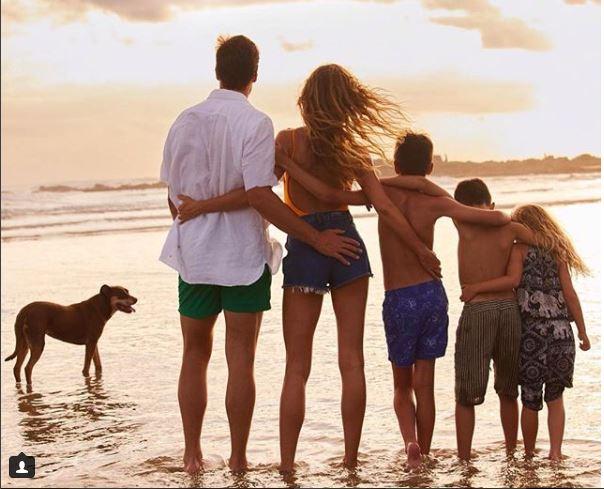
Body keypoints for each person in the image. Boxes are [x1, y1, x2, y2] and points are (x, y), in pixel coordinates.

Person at [180, 64, 441, 472]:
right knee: (351, 362)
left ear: (306, 101)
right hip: (348, 246)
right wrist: (420, 249)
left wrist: (203, 206)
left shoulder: (287, 141)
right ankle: (350, 461)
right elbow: (384, 206)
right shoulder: (353, 149)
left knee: (297, 367)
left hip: (306, 246)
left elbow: (256, 193)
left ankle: (287, 464)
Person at [159, 36, 361, 474]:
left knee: (194, 354)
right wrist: (315, 237)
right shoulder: (255, 123)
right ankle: (238, 457)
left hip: (194, 255)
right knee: (240, 359)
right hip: (242, 257)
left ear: (217, 71)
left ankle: (192, 456)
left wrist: (195, 216)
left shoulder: (184, 120)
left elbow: (173, 195)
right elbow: (259, 195)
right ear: (255, 74)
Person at [276, 132, 511, 468]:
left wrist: (286, 164)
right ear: (430, 166)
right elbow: (496, 218)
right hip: (431, 295)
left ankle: (410, 441)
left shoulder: (381, 192)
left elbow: (329, 194)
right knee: (425, 385)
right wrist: (428, 186)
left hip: (399, 300)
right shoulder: (435, 202)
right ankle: (424, 454)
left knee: (402, 387)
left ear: (396, 164)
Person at [460, 204, 591, 461]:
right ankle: (555, 453)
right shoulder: (558, 252)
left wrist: (476, 287)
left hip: (532, 333)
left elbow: (513, 281)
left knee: (530, 398)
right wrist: (582, 331)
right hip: (561, 333)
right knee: (556, 397)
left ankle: (529, 454)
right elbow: (570, 294)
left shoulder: (519, 250)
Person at [452, 178, 535, 461]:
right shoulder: (511, 229)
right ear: (492, 204)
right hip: (509, 310)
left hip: (479, 309)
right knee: (508, 389)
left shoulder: (464, 223)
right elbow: (543, 242)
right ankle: (511, 452)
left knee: (466, 393)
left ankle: (464, 459)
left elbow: (434, 196)